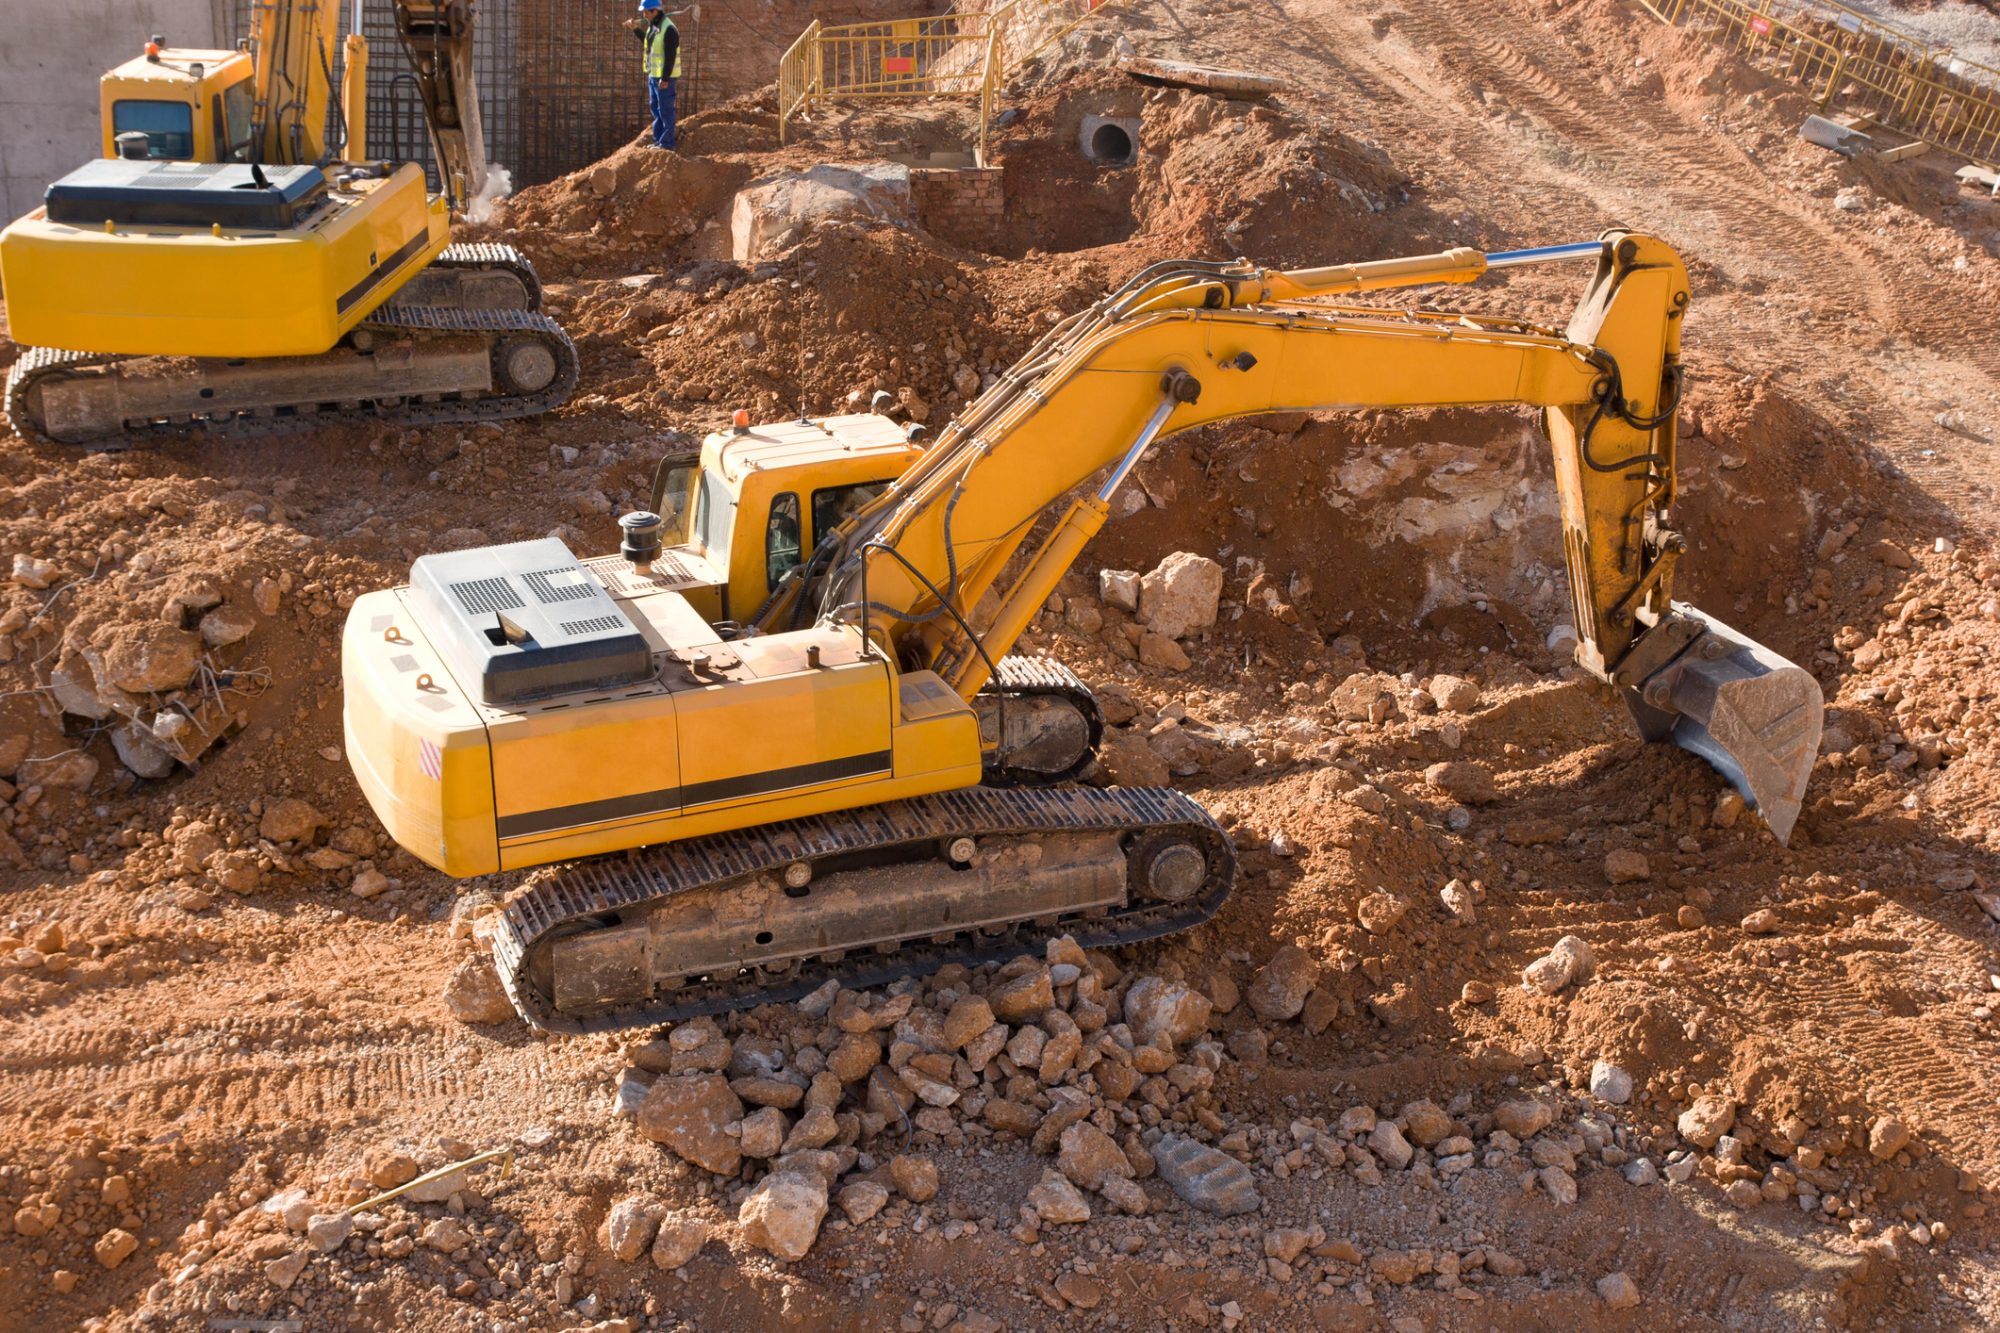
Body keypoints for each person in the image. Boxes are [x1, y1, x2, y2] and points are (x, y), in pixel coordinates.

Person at [630, 0, 681, 150]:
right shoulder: (654, 26)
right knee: (655, 108)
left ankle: (667, 144)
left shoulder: (669, 29)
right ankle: (659, 140)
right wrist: (635, 29)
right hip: (653, 75)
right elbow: (649, 44)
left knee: (665, 110)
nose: (644, 15)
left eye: (646, 12)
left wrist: (665, 78)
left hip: (665, 78)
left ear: (655, 11)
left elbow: (670, 56)